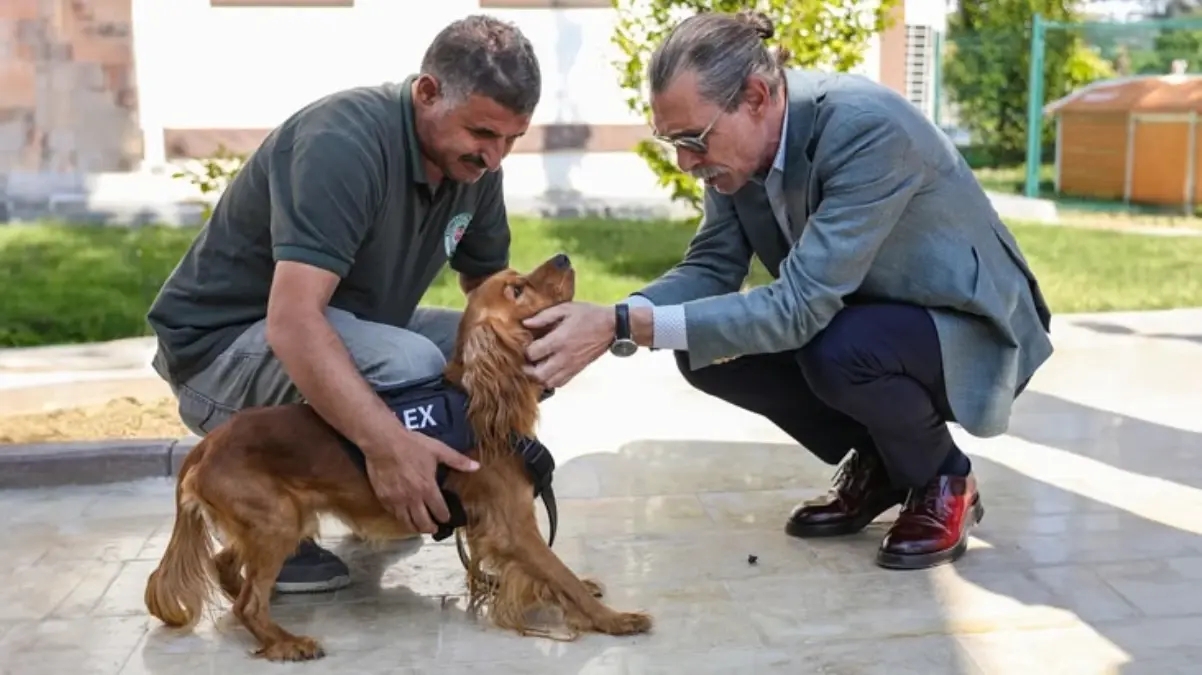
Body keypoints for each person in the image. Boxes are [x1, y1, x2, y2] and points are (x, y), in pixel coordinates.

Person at [522, 10, 1053, 571]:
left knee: (840, 349)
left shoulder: (868, 128)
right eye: (671, 142)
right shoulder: (737, 154)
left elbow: (800, 307)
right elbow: (712, 266)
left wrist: (623, 327)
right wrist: (620, 315)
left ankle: (943, 476)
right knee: (706, 351)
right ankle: (884, 459)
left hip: (968, 326)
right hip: (868, 316)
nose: (684, 162)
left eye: (693, 139)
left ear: (756, 95)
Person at [145, 15, 542, 593]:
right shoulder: (343, 143)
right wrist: (386, 448)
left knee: (489, 348)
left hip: (336, 328)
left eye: (512, 139)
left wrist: (539, 341)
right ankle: (306, 504)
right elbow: (293, 322)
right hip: (221, 353)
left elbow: (488, 297)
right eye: (484, 134)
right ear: (427, 91)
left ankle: (433, 494)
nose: (496, 158)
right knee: (412, 365)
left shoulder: (475, 163)